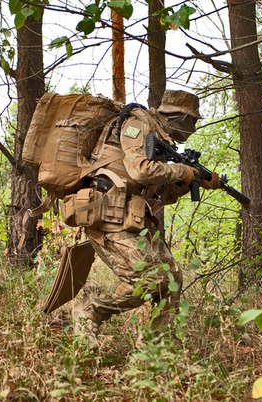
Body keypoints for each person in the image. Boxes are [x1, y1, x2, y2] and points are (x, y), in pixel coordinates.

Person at [72, 90, 221, 350]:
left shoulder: (163, 142)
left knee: (172, 279)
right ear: (179, 117)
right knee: (150, 278)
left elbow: (161, 195)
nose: (194, 128)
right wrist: (182, 170)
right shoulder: (137, 124)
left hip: (135, 217)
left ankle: (155, 347)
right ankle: (90, 308)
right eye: (193, 121)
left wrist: (191, 181)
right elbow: (139, 170)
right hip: (108, 211)